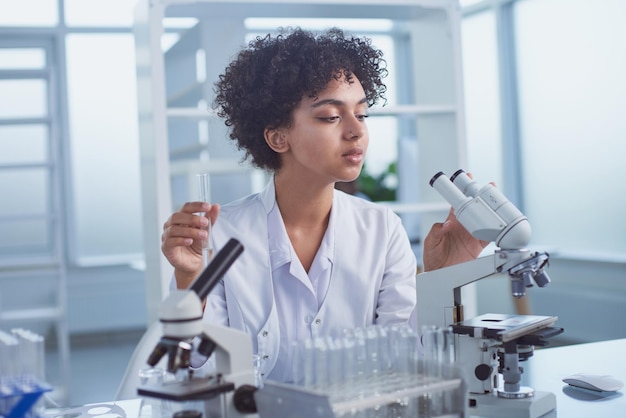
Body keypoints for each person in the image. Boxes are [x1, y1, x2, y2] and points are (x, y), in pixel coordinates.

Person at [161, 27, 486, 383]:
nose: (355, 130)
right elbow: (199, 373)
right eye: (331, 116)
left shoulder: (382, 229)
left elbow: (405, 363)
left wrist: (441, 280)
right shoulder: (221, 234)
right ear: (277, 137)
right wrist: (190, 282)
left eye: (361, 114)